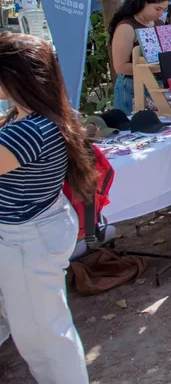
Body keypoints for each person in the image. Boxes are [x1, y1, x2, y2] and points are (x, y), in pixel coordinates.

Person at [0, 33, 93, 384]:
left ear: (16, 78)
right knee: (44, 332)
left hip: (27, 238)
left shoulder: (28, 131)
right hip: (37, 229)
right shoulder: (42, 118)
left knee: (42, 337)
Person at [109, 0, 170, 114]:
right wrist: (155, 68)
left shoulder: (159, 24)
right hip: (133, 88)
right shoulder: (126, 27)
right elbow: (120, 67)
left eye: (164, 10)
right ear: (143, 3)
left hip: (158, 87)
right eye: (157, 9)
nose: (160, 14)